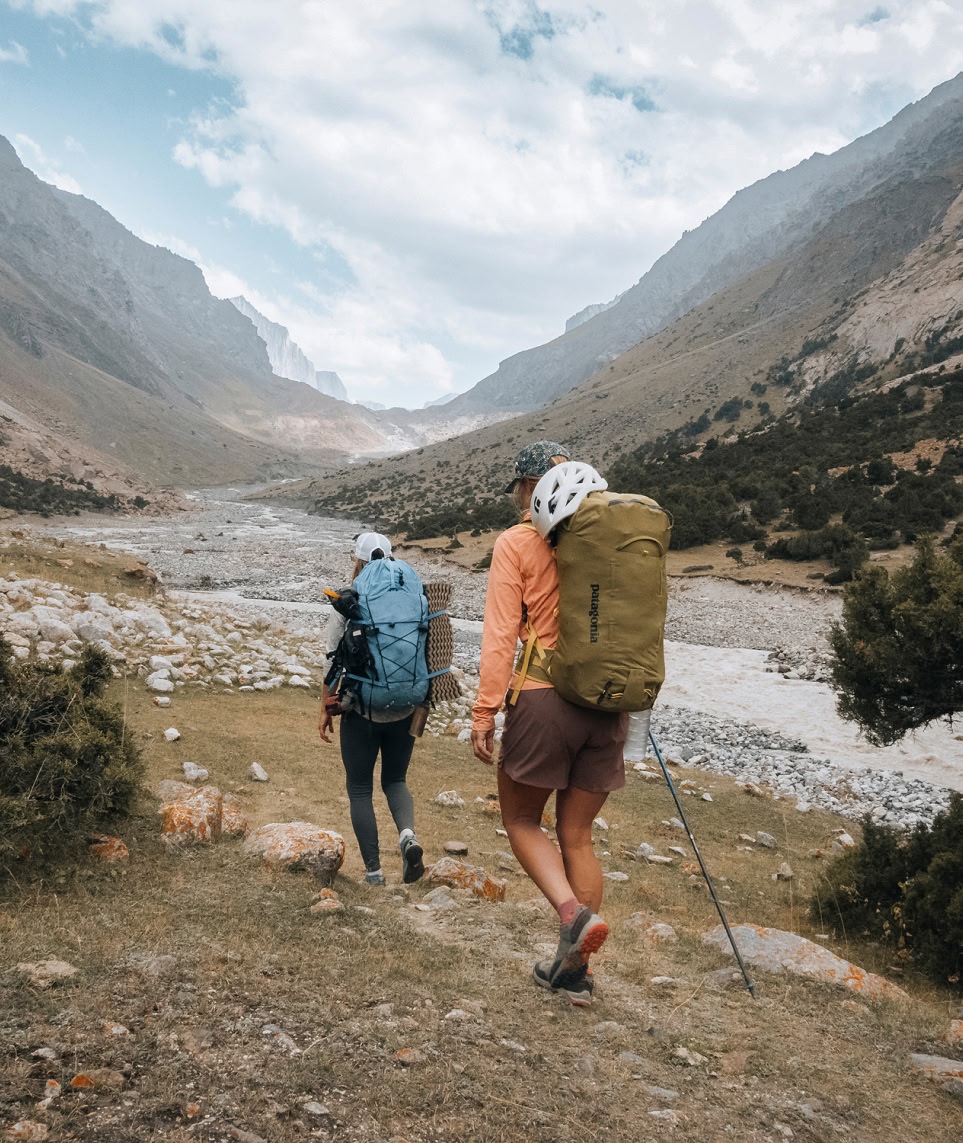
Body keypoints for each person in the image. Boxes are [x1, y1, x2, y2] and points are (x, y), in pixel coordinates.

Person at [470, 442, 628, 1006]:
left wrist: (485, 710)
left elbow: (499, 634)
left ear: (526, 488)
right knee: (578, 835)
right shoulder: (614, 537)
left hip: (543, 699)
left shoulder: (517, 542)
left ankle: (570, 917)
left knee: (519, 817)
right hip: (609, 704)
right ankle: (575, 974)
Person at [319, 532, 425, 887]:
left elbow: (332, 659)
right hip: (407, 707)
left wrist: (324, 707)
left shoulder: (350, 600)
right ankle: (408, 836)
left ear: (358, 561)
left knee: (360, 788)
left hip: (362, 708)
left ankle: (374, 873)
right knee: (395, 780)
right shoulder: (414, 596)